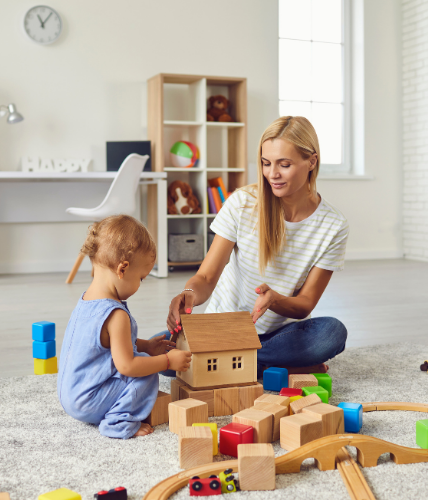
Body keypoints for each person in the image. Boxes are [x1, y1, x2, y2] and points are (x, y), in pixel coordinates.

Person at [160, 116, 348, 376]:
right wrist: (189, 293)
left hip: (275, 337)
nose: (272, 174)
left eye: (284, 164)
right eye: (266, 163)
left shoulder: (333, 225)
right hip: (223, 327)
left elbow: (305, 304)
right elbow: (206, 276)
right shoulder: (242, 203)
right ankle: (272, 366)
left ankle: (235, 362)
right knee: (157, 351)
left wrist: (275, 301)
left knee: (332, 333)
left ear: (311, 161)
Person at [57, 215, 192, 439]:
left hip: (70, 395)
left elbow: (105, 342)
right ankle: (118, 423)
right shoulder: (116, 314)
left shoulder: (86, 300)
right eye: (141, 277)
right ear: (122, 269)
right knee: (146, 374)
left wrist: (146, 346)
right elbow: (127, 366)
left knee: (142, 357)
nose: (140, 284)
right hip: (88, 402)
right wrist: (167, 361)